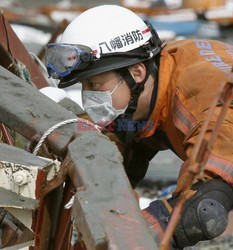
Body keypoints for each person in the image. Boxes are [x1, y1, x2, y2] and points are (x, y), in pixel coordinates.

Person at [45, 5, 233, 249]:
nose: (87, 96)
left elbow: (204, 208)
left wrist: (126, 239)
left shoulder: (206, 104)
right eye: (83, 86)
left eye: (94, 83)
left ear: (137, 72)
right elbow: (125, 148)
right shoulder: (162, 72)